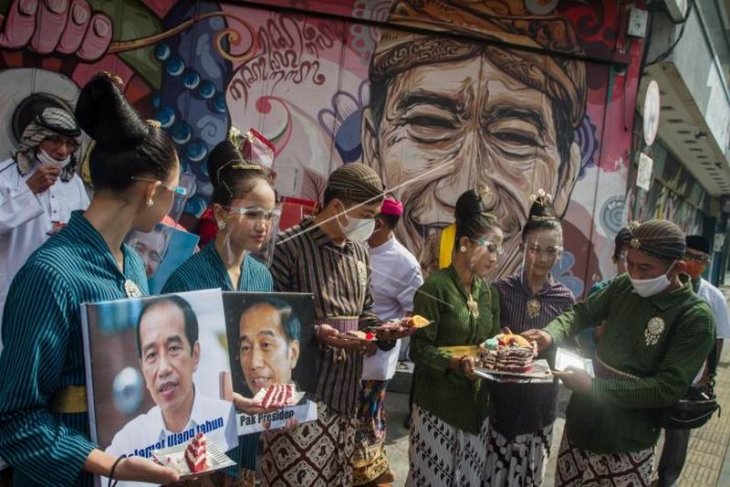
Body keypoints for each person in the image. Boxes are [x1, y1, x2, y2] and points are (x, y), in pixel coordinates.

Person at [0, 73, 181, 486]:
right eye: (176, 190)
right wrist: (109, 465)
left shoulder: (131, 264)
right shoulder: (51, 275)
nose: (176, 201)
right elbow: (13, 418)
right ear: (151, 192)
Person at [362, 0, 585, 279]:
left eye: (513, 136)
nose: (458, 189)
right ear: (373, 146)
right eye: (430, 123)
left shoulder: (494, 302)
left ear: (565, 179)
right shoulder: (368, 271)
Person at [523, 219, 715, 487]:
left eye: (644, 268)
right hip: (580, 429)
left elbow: (666, 388)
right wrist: (549, 333)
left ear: (677, 268)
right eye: (630, 263)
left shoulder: (694, 318)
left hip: (625, 446)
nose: (633, 273)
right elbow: (583, 312)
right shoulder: (624, 286)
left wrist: (593, 387)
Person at [266, 163, 407, 486]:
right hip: (300, 399)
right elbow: (272, 321)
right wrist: (317, 333)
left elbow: (366, 313)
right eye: (368, 213)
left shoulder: (359, 252)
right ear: (337, 206)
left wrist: (383, 333)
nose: (372, 223)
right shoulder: (290, 247)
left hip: (347, 396)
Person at [162, 136, 277, 477]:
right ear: (222, 214)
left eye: (269, 216)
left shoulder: (262, 277)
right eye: (253, 213)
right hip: (195, 427)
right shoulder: (187, 279)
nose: (264, 225)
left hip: (246, 421)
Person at [407, 189, 503, 486]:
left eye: (500, 249)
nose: (495, 257)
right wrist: (454, 362)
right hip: (438, 405)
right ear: (464, 244)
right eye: (490, 248)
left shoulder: (489, 293)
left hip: (475, 407)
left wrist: (501, 348)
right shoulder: (434, 289)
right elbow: (419, 349)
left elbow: (491, 341)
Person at [485, 195, 575, 486]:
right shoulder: (500, 290)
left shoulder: (565, 299)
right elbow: (486, 342)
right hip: (499, 405)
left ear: (560, 253)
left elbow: (567, 352)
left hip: (540, 409)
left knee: (530, 479)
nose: (543, 258)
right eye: (535, 249)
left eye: (551, 250)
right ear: (523, 248)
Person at [105, 296, 237, 487]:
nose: (164, 368)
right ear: (142, 367)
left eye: (174, 348)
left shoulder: (227, 421)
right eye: (151, 355)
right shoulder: (126, 444)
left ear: (195, 355)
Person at [0, 106, 89, 342]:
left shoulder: (74, 183)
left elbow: (86, 232)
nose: (62, 151)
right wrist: (29, 191)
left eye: (70, 144)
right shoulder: (5, 176)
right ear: (37, 137)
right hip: (9, 293)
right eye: (54, 140)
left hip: (55, 295)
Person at [353, 197, 423, 485]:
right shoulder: (352, 247)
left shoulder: (405, 264)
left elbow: (415, 316)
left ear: (378, 223)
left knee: (366, 428)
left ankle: (374, 475)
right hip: (342, 355)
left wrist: (383, 333)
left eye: (365, 216)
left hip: (374, 363)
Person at [655, 235, 730, 487]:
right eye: (688, 255)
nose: (693, 262)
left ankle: (667, 480)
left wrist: (709, 376)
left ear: (707, 263)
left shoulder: (714, 298)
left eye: (700, 259)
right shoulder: (662, 285)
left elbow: (717, 339)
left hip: (690, 378)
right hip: (654, 370)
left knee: (678, 433)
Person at [575, 226, 632, 356]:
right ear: (615, 259)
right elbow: (583, 334)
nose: (632, 267)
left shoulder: (648, 296)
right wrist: (597, 333)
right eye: (626, 258)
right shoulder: (600, 291)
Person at [237, 297, 301, 395]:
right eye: (246, 348)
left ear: (293, 354)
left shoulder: (311, 408)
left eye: (265, 345)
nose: (254, 364)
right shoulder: (231, 408)